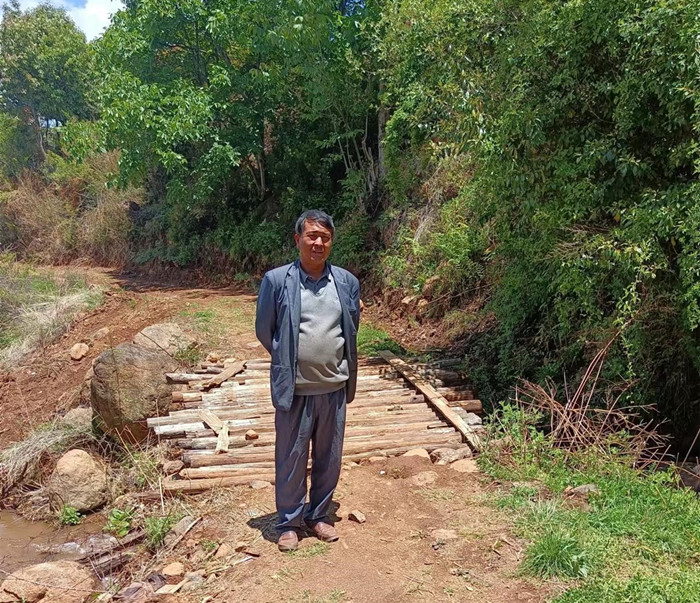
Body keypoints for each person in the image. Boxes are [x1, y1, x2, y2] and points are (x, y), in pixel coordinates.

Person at [255, 209, 361, 552]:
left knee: (329, 458)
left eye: (325, 238)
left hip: (334, 388)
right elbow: (265, 330)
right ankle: (288, 521)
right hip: (296, 390)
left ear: (331, 242)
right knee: (291, 457)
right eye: (312, 235)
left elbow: (351, 329)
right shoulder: (276, 281)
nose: (318, 243)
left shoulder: (346, 282)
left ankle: (318, 515)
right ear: (297, 239)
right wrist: (287, 358)